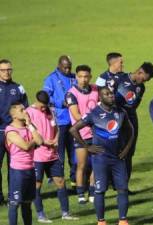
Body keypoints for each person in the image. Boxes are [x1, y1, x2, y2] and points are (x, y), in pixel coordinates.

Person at [70, 87, 134, 225]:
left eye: (111, 93)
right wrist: (87, 146)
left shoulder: (120, 112)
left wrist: (127, 149)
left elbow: (131, 131)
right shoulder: (94, 114)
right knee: (100, 190)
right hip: (101, 159)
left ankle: (123, 220)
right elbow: (73, 129)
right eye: (107, 94)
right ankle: (101, 221)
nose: (111, 96)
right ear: (100, 97)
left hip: (118, 158)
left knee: (122, 189)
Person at [27, 91, 78, 222]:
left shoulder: (51, 110)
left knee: (61, 182)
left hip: (52, 154)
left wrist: (55, 139)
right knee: (37, 184)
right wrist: (43, 141)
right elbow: (29, 133)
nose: (44, 108)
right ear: (36, 101)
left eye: (45, 106)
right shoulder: (28, 113)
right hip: (37, 155)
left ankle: (66, 213)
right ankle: (40, 215)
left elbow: (57, 128)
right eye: (42, 106)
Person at [115, 62, 153, 188]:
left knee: (129, 152)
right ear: (140, 72)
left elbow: (135, 105)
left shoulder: (141, 88)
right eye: (144, 79)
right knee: (115, 151)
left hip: (131, 120)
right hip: (116, 120)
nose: (143, 82)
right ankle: (112, 182)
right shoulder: (120, 80)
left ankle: (124, 186)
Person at [65, 65, 99, 204]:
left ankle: (92, 192)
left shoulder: (96, 89)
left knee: (97, 165)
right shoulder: (71, 93)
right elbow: (76, 115)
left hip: (96, 134)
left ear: (90, 76)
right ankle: (80, 193)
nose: (83, 79)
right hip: (81, 134)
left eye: (86, 76)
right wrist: (94, 121)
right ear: (76, 77)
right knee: (81, 165)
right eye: (80, 77)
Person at [6, 103, 43, 225]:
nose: (25, 112)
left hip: (30, 169)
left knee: (27, 204)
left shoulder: (29, 127)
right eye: (21, 110)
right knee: (15, 203)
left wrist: (30, 126)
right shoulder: (10, 130)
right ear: (14, 115)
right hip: (18, 172)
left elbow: (40, 141)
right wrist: (34, 138)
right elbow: (26, 146)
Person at [43, 55, 76, 186]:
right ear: (59, 65)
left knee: (74, 151)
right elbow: (45, 96)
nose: (67, 70)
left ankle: (74, 180)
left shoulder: (74, 77)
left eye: (69, 67)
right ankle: (58, 180)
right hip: (60, 122)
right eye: (65, 67)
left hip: (74, 121)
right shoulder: (51, 78)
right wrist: (60, 102)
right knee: (59, 152)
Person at [0, 59, 28, 204]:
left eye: (9, 69)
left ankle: (14, 195)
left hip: (15, 133)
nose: (6, 72)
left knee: (14, 165)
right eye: (3, 70)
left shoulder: (18, 87)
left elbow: (26, 108)